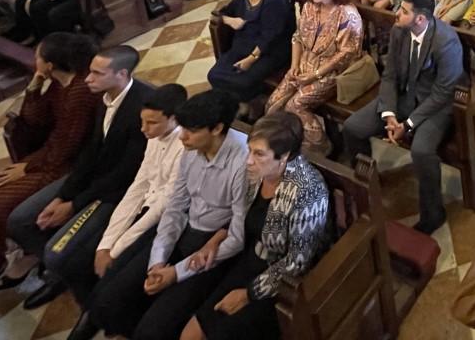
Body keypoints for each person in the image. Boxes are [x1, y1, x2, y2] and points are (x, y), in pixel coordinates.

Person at [0, 33, 100, 299]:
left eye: (38, 55)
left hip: (65, 164)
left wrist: (27, 168)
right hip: (48, 156)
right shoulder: (60, 84)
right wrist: (35, 85)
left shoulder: (80, 91)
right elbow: (33, 120)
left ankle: (9, 260)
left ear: (49, 63)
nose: (34, 59)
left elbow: (67, 146)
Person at [86, 90, 249, 340]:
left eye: (190, 130)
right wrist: (158, 261)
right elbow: (175, 207)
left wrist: (176, 272)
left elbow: (236, 237)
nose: (182, 137)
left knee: (153, 330)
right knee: (109, 296)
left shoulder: (243, 161)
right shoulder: (191, 149)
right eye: (182, 128)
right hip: (181, 232)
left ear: (216, 129)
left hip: (213, 249)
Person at [8, 45, 152, 311]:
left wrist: (74, 205)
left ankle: (90, 301)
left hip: (118, 189)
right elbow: (90, 150)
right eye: (90, 72)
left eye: (97, 73)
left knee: (56, 252)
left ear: (121, 74)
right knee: (19, 220)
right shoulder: (103, 96)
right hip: (92, 177)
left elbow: (127, 172)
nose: (87, 79)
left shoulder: (144, 107)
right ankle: (65, 273)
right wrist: (65, 194)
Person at [181, 112, 332, 340]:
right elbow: (242, 215)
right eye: (250, 150)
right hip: (250, 260)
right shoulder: (258, 174)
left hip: (285, 285)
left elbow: (297, 261)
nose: (248, 160)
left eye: (259, 154)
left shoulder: (308, 190)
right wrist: (216, 239)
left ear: (285, 156)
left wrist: (248, 295)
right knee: (191, 333)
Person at [62, 84, 187, 320]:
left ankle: (108, 317)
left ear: (174, 119)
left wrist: (116, 249)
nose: (143, 129)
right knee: (76, 261)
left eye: (152, 123)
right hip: (142, 208)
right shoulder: (153, 136)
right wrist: (106, 244)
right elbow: (138, 186)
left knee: (115, 275)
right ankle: (90, 313)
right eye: (143, 121)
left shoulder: (185, 145)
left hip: (162, 217)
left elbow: (164, 203)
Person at [344, 0, 465, 233]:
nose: (397, 14)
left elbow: (443, 93)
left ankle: (433, 214)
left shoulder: (446, 41)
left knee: (421, 151)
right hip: (402, 96)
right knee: (352, 127)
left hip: (435, 105)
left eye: (404, 11)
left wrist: (407, 125)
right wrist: (388, 114)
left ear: (420, 19)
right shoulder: (400, 30)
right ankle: (369, 183)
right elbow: (389, 75)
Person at [266, 0, 364, 148]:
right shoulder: (309, 7)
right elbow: (298, 38)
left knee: (295, 106)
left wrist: (315, 75)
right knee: (273, 105)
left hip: (333, 73)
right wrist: (294, 66)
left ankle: (322, 148)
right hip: (304, 65)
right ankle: (287, 143)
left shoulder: (347, 15)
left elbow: (345, 56)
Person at [207, 0, 294, 105]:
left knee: (242, 82)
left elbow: (270, 36)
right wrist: (230, 20)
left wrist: (250, 59)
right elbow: (222, 13)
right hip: (243, 45)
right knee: (214, 75)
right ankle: (233, 103)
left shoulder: (274, 0)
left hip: (269, 51)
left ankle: (249, 106)